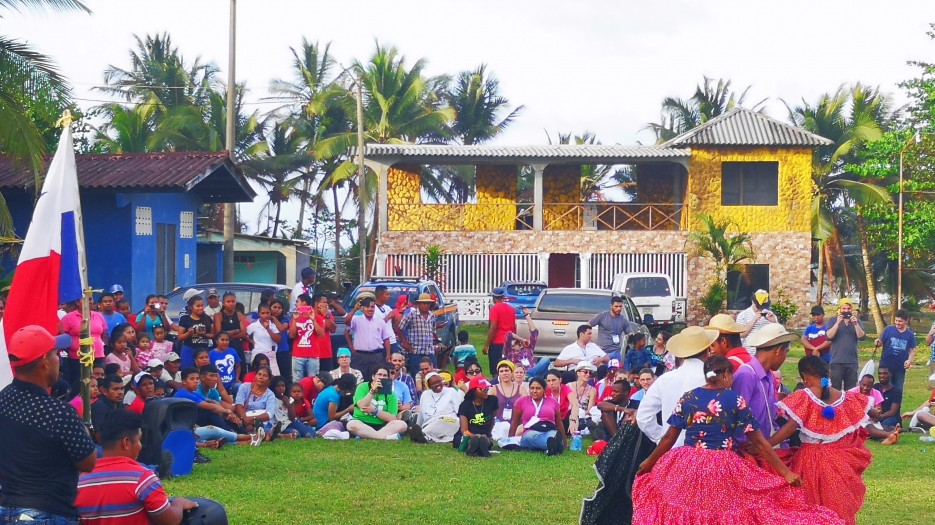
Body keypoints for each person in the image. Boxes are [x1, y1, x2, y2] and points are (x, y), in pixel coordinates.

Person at [633, 355, 841, 525]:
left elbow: (670, 436)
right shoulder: (735, 400)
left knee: (690, 510)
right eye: (731, 375)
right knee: (725, 512)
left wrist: (650, 461)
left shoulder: (689, 397)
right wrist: (784, 472)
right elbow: (759, 442)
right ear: (725, 374)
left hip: (688, 463)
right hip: (722, 465)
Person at [0, 325, 96, 523]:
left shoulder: (3, 399)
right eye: (55, 354)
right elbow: (88, 462)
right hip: (46, 512)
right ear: (44, 363)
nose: (58, 360)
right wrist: (84, 430)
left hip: (6, 507)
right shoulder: (58, 412)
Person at [771, 355, 875, 525]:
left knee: (810, 507)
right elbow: (870, 413)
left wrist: (765, 445)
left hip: (810, 461)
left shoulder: (805, 396)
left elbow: (789, 428)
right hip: (839, 462)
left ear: (805, 376)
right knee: (837, 506)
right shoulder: (844, 397)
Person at [75, 410, 199, 524]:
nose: (140, 446)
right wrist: (179, 504)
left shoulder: (81, 481)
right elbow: (169, 521)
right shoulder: (143, 478)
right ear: (126, 442)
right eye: (139, 440)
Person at [580, 378, 657, 525]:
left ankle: (619, 443)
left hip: (629, 442)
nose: (613, 394)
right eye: (612, 391)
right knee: (605, 414)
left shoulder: (636, 404)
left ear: (626, 393)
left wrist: (630, 413)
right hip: (613, 439)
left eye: (616, 391)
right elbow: (601, 405)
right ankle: (617, 441)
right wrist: (621, 409)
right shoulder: (612, 404)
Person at [636, 326, 718, 446]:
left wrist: (662, 438)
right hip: (708, 452)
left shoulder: (665, 379)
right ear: (708, 351)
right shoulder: (714, 380)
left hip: (673, 450)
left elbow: (643, 416)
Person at [732, 322, 794, 440]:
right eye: (786, 352)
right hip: (750, 451)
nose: (785, 358)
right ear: (779, 350)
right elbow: (737, 418)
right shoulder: (746, 374)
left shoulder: (768, 376)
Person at [346, 363, 408, 440]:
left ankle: (368, 436)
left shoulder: (391, 394)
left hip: (383, 426)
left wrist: (375, 411)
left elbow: (392, 418)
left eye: (385, 375)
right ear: (373, 376)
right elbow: (362, 405)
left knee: (402, 424)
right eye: (379, 374)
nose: (382, 377)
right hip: (362, 422)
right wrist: (372, 391)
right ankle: (385, 437)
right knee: (351, 424)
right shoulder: (362, 387)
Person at [507, 377, 567, 455]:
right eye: (532, 388)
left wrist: (565, 441)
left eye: (538, 388)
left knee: (553, 435)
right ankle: (553, 446)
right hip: (530, 432)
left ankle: (552, 446)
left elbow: (559, 422)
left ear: (544, 390)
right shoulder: (521, 401)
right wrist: (509, 440)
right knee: (532, 437)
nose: (534, 391)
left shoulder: (552, 401)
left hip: (549, 430)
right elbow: (515, 422)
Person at [60, 299, 107, 389]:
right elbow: (63, 336)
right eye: (87, 299)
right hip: (77, 358)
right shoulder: (69, 317)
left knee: (98, 381)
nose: (90, 301)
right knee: (79, 383)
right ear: (77, 302)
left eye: (91, 299)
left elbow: (103, 333)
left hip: (97, 356)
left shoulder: (98, 316)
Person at [346, 295, 392, 381]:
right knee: (359, 379)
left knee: (376, 379)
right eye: (367, 307)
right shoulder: (356, 319)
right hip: (360, 356)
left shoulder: (380, 321)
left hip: (376, 355)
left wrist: (388, 355)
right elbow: (346, 324)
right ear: (362, 308)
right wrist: (354, 310)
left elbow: (386, 339)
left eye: (372, 307)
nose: (370, 309)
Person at [411, 372, 462, 444]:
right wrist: (418, 426)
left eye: (439, 381)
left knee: (442, 421)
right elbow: (421, 414)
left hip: (449, 421)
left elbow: (459, 411)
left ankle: (423, 435)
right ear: (429, 385)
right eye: (434, 383)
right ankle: (424, 436)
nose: (438, 384)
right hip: (430, 423)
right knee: (434, 424)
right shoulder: (425, 394)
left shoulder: (451, 391)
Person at [826, 298, 866, 390]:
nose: (846, 311)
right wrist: (837, 324)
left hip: (852, 362)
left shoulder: (857, 321)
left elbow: (862, 337)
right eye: (844, 308)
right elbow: (829, 336)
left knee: (851, 391)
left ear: (851, 309)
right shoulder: (832, 320)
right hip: (836, 361)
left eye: (848, 309)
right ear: (840, 309)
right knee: (835, 389)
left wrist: (856, 324)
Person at [395, 293, 438, 373]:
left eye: (428, 303)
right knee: (417, 375)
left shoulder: (432, 315)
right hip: (416, 351)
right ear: (418, 304)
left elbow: (433, 331)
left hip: (429, 351)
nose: (426, 305)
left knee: (433, 374)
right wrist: (405, 342)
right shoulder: (411, 315)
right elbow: (400, 328)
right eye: (423, 303)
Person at [875, 308, 916, 390]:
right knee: (884, 389)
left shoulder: (910, 334)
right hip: (885, 366)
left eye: (900, 321)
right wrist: (877, 342)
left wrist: (909, 361)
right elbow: (880, 343)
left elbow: (912, 350)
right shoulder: (888, 329)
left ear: (906, 321)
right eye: (896, 320)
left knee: (898, 389)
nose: (897, 323)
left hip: (900, 367)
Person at [455, 376, 498, 456]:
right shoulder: (465, 405)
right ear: (474, 391)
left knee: (484, 438)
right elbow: (464, 430)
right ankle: (474, 446)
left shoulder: (493, 401)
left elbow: (493, 419)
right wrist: (474, 436)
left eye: (487, 388)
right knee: (475, 439)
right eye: (484, 389)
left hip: (485, 433)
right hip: (468, 434)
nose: (486, 391)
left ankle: (482, 445)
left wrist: (487, 434)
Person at [503, 306, 550, 377]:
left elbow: (534, 332)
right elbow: (508, 335)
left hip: (532, 374)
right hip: (519, 375)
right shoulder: (509, 352)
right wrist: (521, 339)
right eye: (516, 342)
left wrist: (526, 315)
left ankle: (528, 375)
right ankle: (528, 376)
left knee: (546, 359)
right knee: (530, 378)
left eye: (518, 343)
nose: (518, 343)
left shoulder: (528, 349)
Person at [489, 359, 528, 441]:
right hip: (498, 424)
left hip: (516, 424)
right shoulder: (493, 389)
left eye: (507, 370)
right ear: (498, 374)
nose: (504, 373)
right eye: (501, 371)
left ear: (512, 372)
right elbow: (487, 409)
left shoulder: (521, 389)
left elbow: (526, 409)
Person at [214, 291, 248, 380]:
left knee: (240, 368)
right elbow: (218, 333)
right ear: (224, 303)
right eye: (228, 302)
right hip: (223, 347)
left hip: (237, 346)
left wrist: (227, 336)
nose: (231, 304)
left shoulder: (239, 315)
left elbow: (244, 333)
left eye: (233, 301)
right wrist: (235, 331)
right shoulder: (218, 315)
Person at [233, 366, 276, 435]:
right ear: (255, 376)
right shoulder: (244, 387)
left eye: (265, 376)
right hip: (244, 419)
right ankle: (274, 434)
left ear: (269, 380)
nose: (261, 377)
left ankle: (267, 432)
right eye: (259, 374)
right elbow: (238, 405)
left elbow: (269, 414)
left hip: (261, 421)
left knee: (261, 428)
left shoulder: (270, 394)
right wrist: (245, 420)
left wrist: (252, 420)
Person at [313, 373, 358, 439]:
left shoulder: (331, 388)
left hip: (323, 422)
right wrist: (348, 409)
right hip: (323, 425)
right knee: (350, 426)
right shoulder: (334, 396)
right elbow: (332, 417)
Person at [483, 287, 516, 374]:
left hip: (497, 343)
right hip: (509, 342)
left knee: (496, 369)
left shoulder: (494, 309)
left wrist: (487, 345)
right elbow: (514, 326)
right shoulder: (511, 309)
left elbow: (493, 327)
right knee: (508, 368)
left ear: (494, 297)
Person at [735, 289, 778, 354]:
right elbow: (741, 334)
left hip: (765, 353)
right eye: (758, 306)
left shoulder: (769, 314)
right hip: (749, 353)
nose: (760, 308)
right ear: (753, 301)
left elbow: (778, 333)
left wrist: (773, 321)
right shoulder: (743, 315)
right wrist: (754, 320)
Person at [246, 304, 282, 376]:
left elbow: (278, 340)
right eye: (263, 313)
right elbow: (245, 334)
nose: (265, 315)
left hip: (270, 354)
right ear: (259, 314)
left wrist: (268, 329)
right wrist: (253, 342)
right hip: (258, 354)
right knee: (257, 376)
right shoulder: (254, 325)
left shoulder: (273, 325)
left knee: (275, 377)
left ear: (270, 313)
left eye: (267, 313)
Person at [290, 300, 318, 380]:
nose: (296, 304)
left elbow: (321, 334)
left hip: (313, 355)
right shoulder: (295, 318)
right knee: (297, 381)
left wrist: (313, 320)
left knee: (313, 380)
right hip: (298, 355)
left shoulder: (317, 317)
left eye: (298, 301)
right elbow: (292, 335)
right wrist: (295, 320)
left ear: (305, 303)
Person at [545, 369, 578, 433]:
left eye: (553, 380)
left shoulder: (565, 388)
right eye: (548, 381)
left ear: (560, 380)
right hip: (551, 419)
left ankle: (574, 431)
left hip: (564, 418)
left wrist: (572, 420)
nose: (551, 383)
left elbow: (575, 404)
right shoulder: (545, 390)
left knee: (574, 413)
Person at [209, 332, 241, 397]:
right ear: (217, 341)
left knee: (240, 387)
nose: (225, 342)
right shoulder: (211, 353)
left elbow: (238, 366)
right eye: (222, 340)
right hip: (217, 385)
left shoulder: (232, 351)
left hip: (232, 384)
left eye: (227, 340)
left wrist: (237, 379)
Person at [310, 294, 337, 373]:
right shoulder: (310, 314)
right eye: (324, 302)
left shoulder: (328, 314)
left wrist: (326, 316)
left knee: (327, 379)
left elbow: (333, 329)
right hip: (312, 354)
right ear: (317, 303)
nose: (326, 304)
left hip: (326, 353)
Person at [270, 299, 292, 384]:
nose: (276, 309)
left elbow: (282, 328)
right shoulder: (266, 319)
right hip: (270, 352)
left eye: (279, 308)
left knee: (285, 376)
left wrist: (274, 318)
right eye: (274, 307)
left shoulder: (284, 320)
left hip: (282, 351)